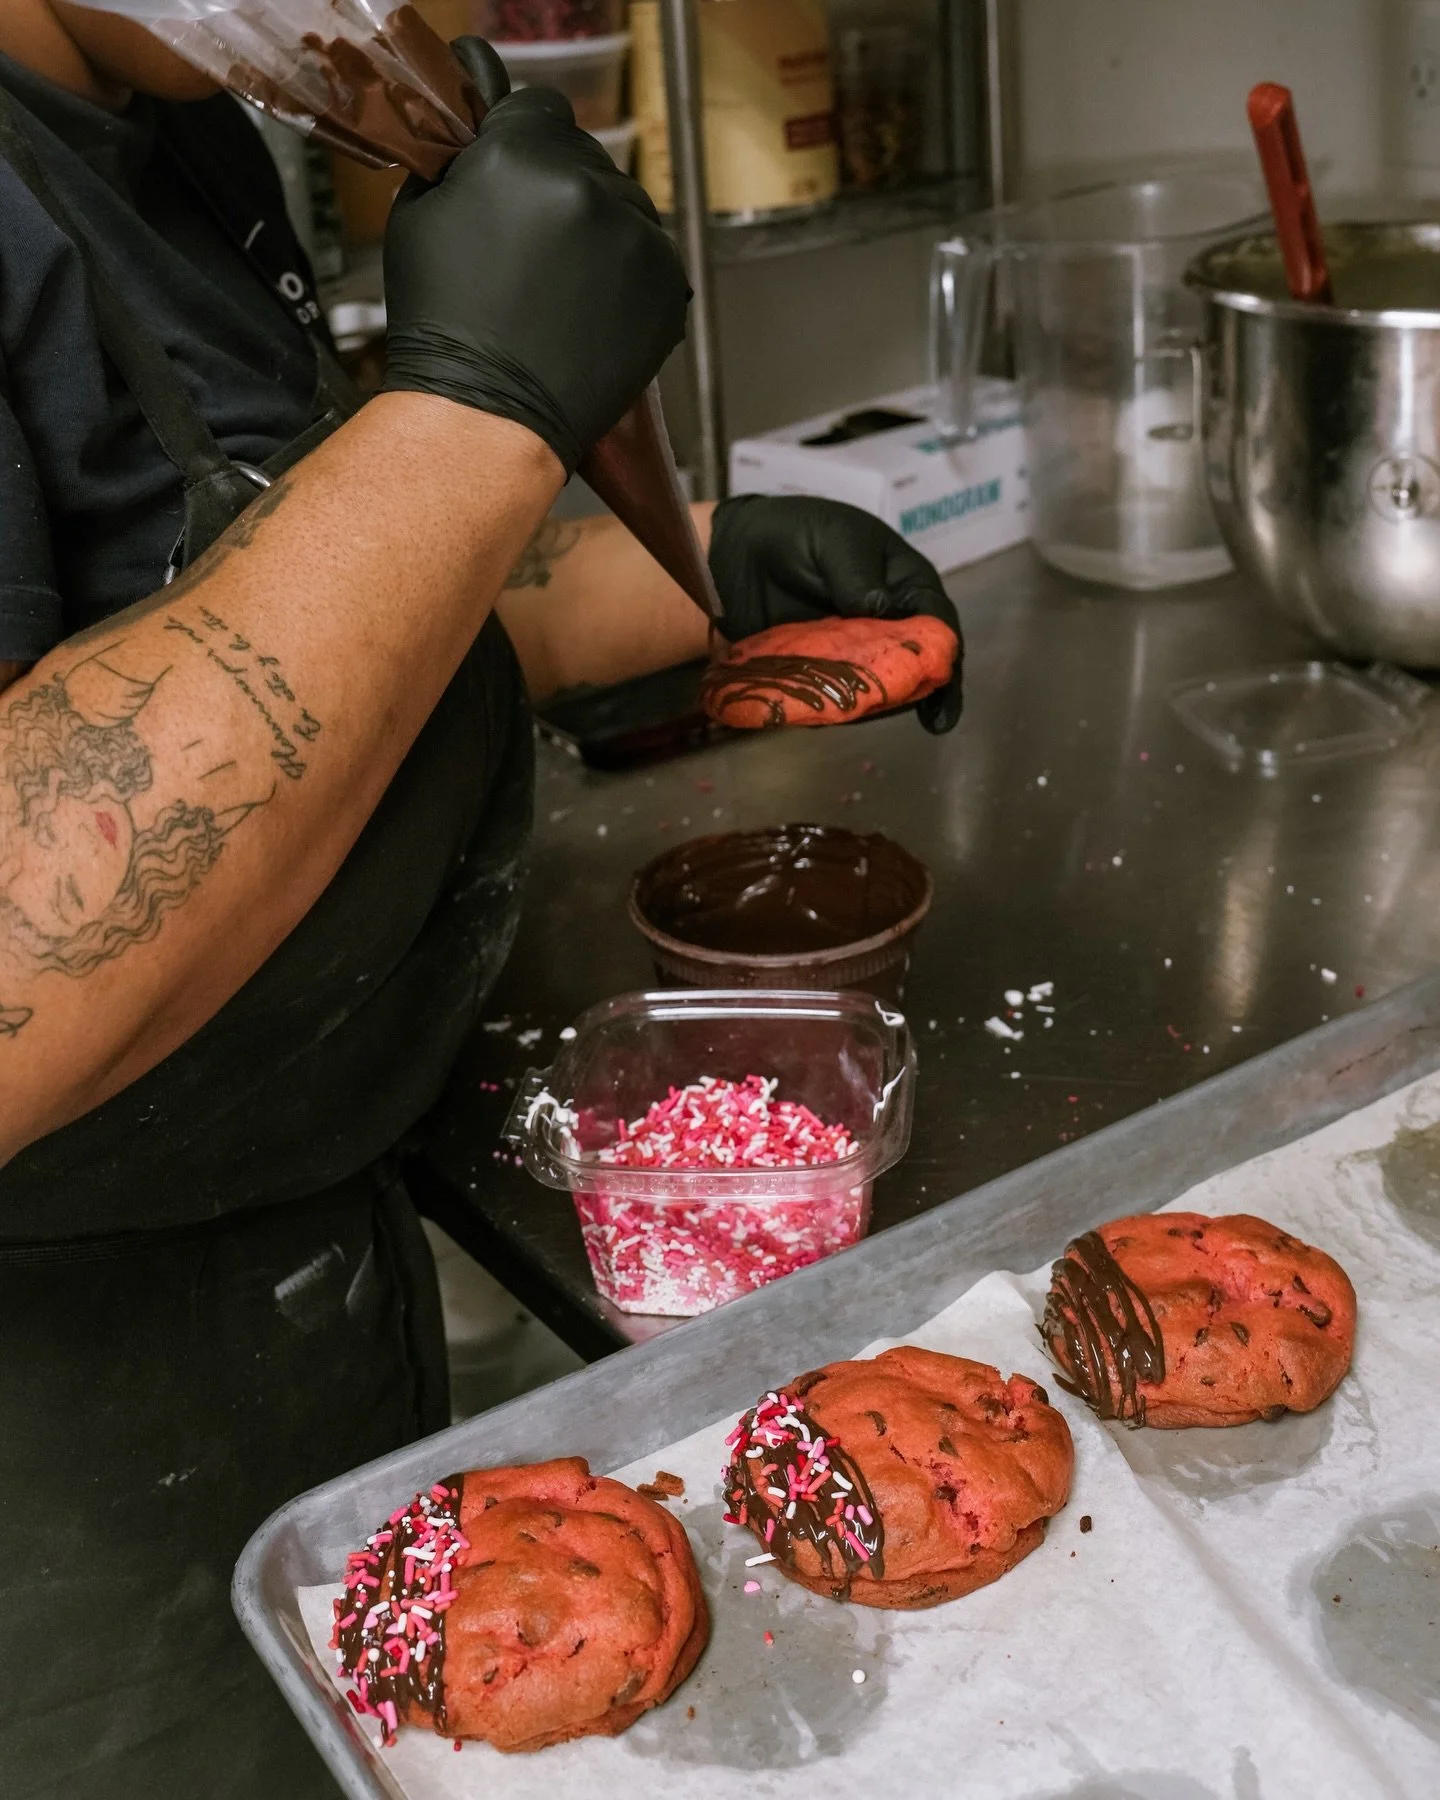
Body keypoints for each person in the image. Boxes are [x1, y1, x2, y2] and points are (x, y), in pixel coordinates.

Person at [0, 5, 964, 1795]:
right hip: (55, 1474)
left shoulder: (177, 120)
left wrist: (688, 598)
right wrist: (472, 411)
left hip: (291, 1297)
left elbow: (292, 609)